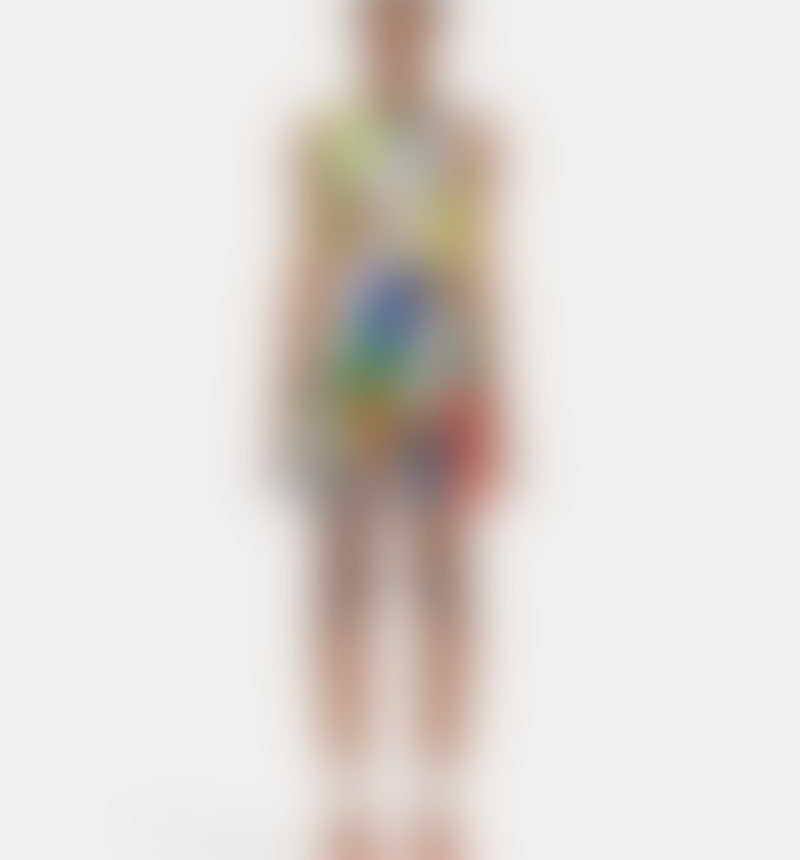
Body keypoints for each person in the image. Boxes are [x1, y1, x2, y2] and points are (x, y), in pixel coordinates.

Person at [281, 1, 500, 856]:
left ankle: (440, 800)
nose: (398, 38)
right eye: (382, 23)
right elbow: (306, 263)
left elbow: (482, 267)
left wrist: (503, 388)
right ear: (360, 31)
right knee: (343, 576)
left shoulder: (469, 140)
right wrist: (286, 380)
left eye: (414, 24)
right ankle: (347, 799)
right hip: (352, 371)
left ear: (438, 32)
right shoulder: (323, 140)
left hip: (444, 371)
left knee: (445, 578)